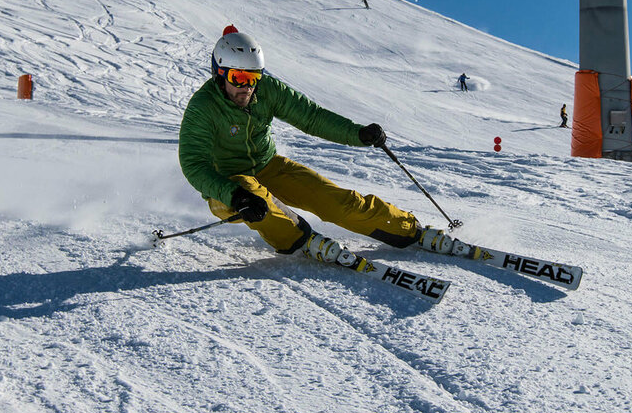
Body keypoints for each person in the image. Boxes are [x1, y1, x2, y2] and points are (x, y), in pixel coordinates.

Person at [178, 26, 453, 263]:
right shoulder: (203, 108)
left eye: (254, 78)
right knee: (254, 195)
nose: (247, 88)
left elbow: (311, 117)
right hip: (228, 184)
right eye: (239, 78)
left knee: (334, 200)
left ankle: (408, 229)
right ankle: (300, 241)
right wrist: (232, 194)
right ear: (219, 73)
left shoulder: (268, 91)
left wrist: (357, 134)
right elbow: (194, 165)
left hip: (269, 166)